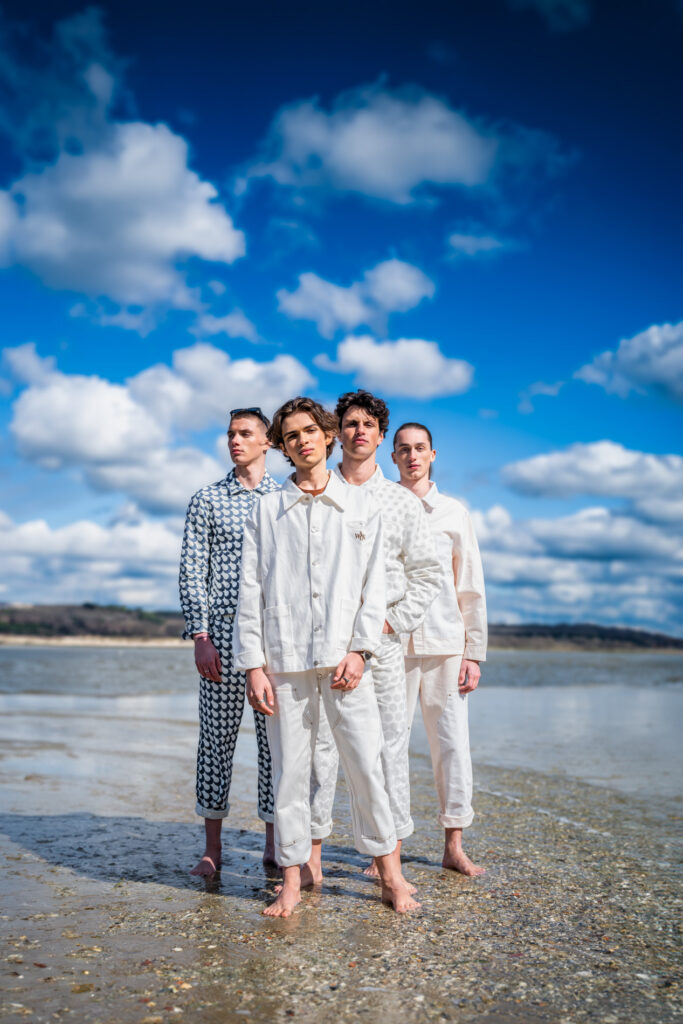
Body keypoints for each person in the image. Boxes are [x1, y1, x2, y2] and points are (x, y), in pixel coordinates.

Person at [234, 396, 418, 916]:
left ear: (329, 435)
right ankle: (291, 882)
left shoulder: (363, 507)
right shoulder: (266, 510)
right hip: (285, 661)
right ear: (283, 447)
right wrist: (253, 665)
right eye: (291, 436)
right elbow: (251, 591)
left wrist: (361, 651)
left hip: (345, 662)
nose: (303, 441)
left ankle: (391, 876)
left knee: (367, 768)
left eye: (310, 431)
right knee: (290, 773)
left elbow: (373, 589)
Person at [308, 390, 442, 889]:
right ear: (335, 433)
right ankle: (311, 858)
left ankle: (390, 862)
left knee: (386, 749)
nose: (359, 430)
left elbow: (428, 575)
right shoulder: (315, 490)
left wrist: (388, 624)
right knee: (320, 748)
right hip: (321, 642)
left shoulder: (402, 502)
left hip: (381, 644)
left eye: (368, 424)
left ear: (381, 436)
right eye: (350, 423)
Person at [179, 407, 279, 877]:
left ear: (268, 442)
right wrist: (200, 635)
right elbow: (192, 570)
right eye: (230, 434)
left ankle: (274, 845)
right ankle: (212, 850)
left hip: (275, 637)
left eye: (245, 434)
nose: (235, 441)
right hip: (219, 632)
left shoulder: (286, 497)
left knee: (273, 743)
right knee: (216, 741)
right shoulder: (207, 499)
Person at [392, 422, 487, 876]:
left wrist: (474, 653)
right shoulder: (382, 505)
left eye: (420, 449)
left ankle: (454, 843)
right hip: (392, 644)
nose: (412, 456)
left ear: (433, 455)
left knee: (451, 744)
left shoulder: (454, 512)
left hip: (448, 644)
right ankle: (388, 846)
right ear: (392, 457)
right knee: (388, 746)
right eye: (404, 449)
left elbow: (469, 586)